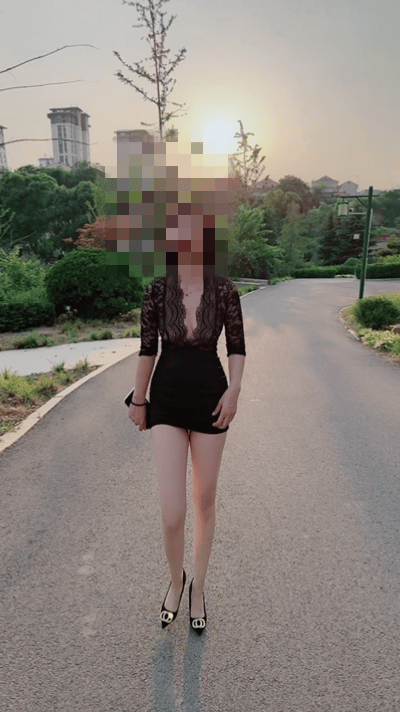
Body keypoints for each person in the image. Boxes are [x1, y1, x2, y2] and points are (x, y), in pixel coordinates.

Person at [127, 194, 246, 635]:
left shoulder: (225, 289)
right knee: (172, 510)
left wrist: (234, 391)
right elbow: (147, 349)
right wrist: (139, 400)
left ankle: (198, 587)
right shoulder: (157, 290)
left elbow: (236, 345)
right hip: (167, 400)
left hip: (212, 398)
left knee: (204, 500)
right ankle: (175, 581)